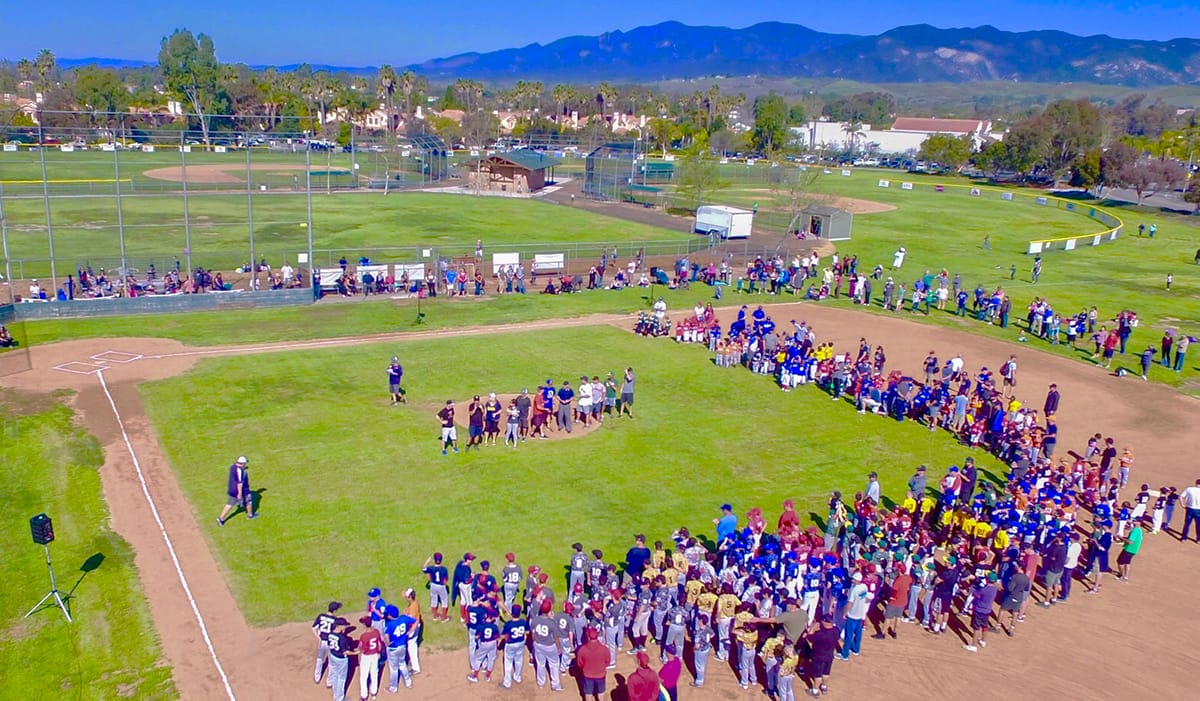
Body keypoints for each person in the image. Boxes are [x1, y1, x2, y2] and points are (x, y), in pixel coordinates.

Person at [963, 572, 998, 652]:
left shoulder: (984, 589)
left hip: (979, 610)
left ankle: (974, 645)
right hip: (987, 610)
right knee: (984, 626)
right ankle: (983, 641)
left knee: (976, 628)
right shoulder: (994, 589)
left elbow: (975, 594)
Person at [383, 605, 414, 691]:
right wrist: (410, 631)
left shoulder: (390, 624)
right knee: (403, 664)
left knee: (394, 668)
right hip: (403, 646)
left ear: (389, 615)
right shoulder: (404, 618)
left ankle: (393, 688)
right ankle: (408, 682)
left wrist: (388, 643)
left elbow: (386, 636)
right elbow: (415, 621)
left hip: (393, 649)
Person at [806, 615, 839, 697]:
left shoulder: (820, 634)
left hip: (818, 656)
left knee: (818, 675)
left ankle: (815, 691)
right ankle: (824, 687)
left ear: (825, 622)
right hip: (829, 656)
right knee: (826, 672)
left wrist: (812, 628)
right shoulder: (836, 631)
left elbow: (809, 638)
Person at [217, 456, 255, 526]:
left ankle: (220, 518)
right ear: (243, 464)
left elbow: (236, 472)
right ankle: (250, 515)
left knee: (229, 504)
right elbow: (240, 483)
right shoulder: (241, 471)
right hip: (240, 490)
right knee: (249, 501)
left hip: (231, 489)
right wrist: (239, 494)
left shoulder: (232, 466)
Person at [312, 601, 342, 687]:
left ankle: (317, 677)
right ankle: (329, 682)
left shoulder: (321, 616)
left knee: (319, 659)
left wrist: (319, 638)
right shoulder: (335, 620)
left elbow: (314, 628)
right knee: (331, 662)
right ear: (335, 610)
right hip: (330, 642)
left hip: (322, 642)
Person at [325, 618, 355, 701]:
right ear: (339, 626)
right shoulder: (342, 638)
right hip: (341, 660)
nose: (345, 627)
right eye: (344, 625)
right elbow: (345, 652)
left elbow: (329, 644)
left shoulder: (330, 633)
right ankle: (340, 698)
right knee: (341, 678)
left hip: (332, 656)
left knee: (335, 676)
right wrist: (356, 653)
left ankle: (335, 695)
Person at [576, 627, 610, 701]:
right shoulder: (604, 649)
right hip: (601, 674)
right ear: (597, 636)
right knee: (601, 692)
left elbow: (580, 664)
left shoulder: (582, 650)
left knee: (588, 693)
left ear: (588, 636)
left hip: (587, 675)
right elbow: (607, 662)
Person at [356, 615, 383, 701]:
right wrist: (378, 653)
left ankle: (364, 696)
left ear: (364, 625)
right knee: (374, 674)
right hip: (375, 655)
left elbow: (361, 648)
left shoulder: (364, 636)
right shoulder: (376, 632)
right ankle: (374, 693)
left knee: (363, 676)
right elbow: (379, 645)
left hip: (366, 656)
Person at [421, 552, 450, 622]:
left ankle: (435, 616)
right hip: (441, 585)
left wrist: (427, 561)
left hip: (433, 585)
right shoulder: (444, 569)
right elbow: (446, 579)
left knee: (434, 600)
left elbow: (424, 569)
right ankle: (444, 617)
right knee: (444, 601)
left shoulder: (431, 568)